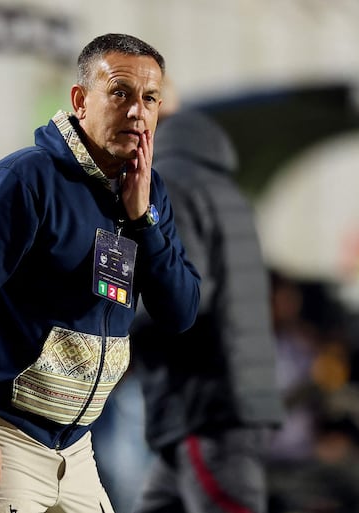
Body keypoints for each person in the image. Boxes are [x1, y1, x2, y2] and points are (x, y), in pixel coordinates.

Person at [0, 33, 200, 513]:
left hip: (74, 447)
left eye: (150, 98)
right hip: (1, 431)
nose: (137, 111)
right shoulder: (26, 179)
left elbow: (180, 312)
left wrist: (143, 222)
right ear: (80, 100)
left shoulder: (147, 192)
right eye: (120, 92)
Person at [132, 108, 284, 513]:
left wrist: (120, 330)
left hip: (204, 405)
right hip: (233, 393)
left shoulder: (174, 186)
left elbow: (185, 296)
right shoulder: (226, 191)